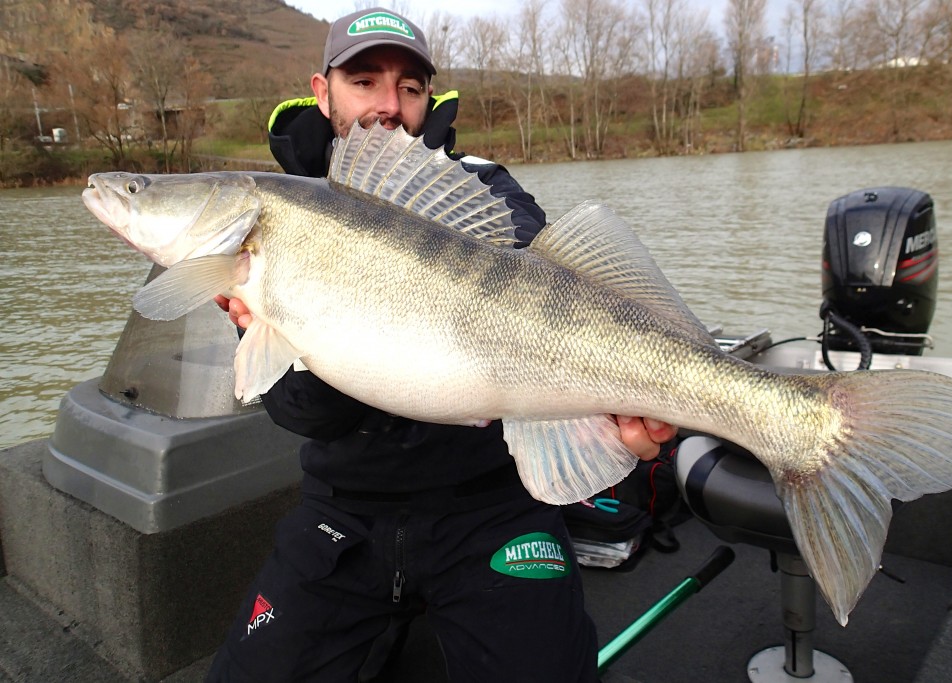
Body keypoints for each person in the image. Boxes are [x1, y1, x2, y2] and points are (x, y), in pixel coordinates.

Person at [208, 7, 677, 682]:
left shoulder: (486, 190)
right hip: (345, 512)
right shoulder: (276, 226)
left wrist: (614, 411)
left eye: (409, 87)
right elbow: (305, 414)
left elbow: (551, 314)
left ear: (429, 97)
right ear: (323, 90)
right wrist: (274, 327)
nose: (388, 106)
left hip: (493, 507)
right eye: (365, 81)